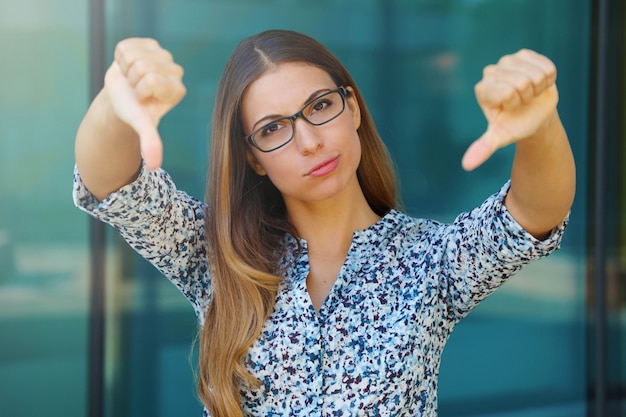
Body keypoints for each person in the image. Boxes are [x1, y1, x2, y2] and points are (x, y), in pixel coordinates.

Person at [73, 29, 575, 417]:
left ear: (351, 106)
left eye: (319, 106)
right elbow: (113, 185)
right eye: (273, 128)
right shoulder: (217, 253)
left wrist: (541, 129)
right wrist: (116, 106)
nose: (309, 141)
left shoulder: (429, 259)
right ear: (252, 159)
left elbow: (533, 214)